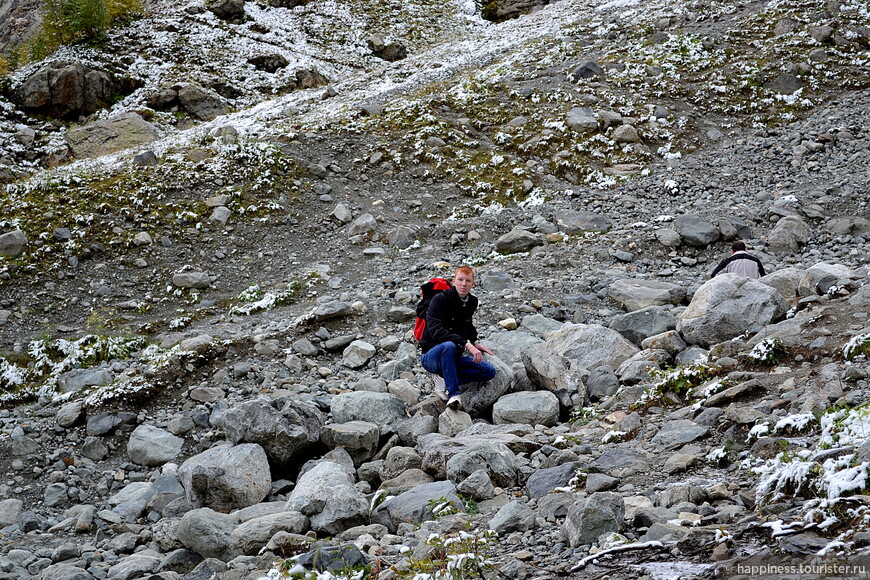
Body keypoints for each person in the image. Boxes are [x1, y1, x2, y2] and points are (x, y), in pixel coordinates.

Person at [419, 266, 496, 410]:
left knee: (488, 371)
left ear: (473, 284)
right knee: (449, 345)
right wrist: (467, 345)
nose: (463, 284)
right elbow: (436, 331)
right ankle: (454, 395)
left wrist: (475, 341)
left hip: (453, 357)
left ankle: (442, 379)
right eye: (460, 280)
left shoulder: (472, 301)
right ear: (453, 281)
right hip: (432, 357)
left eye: (468, 281)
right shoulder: (439, 300)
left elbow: (467, 324)